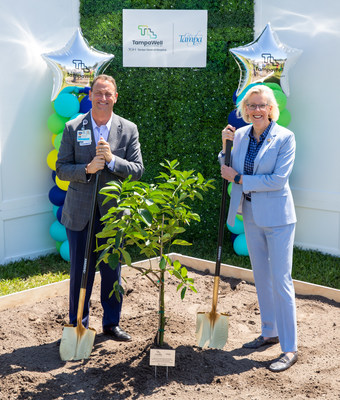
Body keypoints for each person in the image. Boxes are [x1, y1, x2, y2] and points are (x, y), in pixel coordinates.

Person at [56, 74, 144, 341]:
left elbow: (138, 170)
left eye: (108, 94)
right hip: (80, 214)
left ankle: (111, 323)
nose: (103, 98)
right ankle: (78, 325)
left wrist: (112, 161)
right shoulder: (73, 127)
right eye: (98, 93)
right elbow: (61, 168)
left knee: (111, 271)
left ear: (115, 97)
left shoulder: (128, 129)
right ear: (90, 95)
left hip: (113, 216)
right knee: (80, 272)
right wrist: (87, 168)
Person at [220, 85, 298, 372]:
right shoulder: (240, 135)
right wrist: (224, 146)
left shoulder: (285, 138)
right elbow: (227, 167)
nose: (256, 110)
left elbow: (277, 180)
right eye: (251, 106)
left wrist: (239, 179)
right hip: (250, 213)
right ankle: (269, 332)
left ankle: (289, 349)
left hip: (278, 218)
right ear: (245, 109)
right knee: (261, 276)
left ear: (271, 108)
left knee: (281, 280)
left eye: (261, 105)